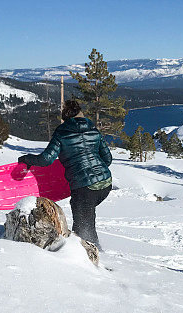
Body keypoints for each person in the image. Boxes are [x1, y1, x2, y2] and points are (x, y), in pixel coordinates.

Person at [18, 99, 112, 249]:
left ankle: (96, 262)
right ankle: (89, 255)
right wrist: (95, 171)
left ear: (65, 117)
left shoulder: (62, 133)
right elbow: (108, 159)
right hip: (106, 184)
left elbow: (46, 159)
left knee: (83, 231)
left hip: (84, 188)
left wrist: (27, 159)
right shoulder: (93, 129)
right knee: (85, 216)